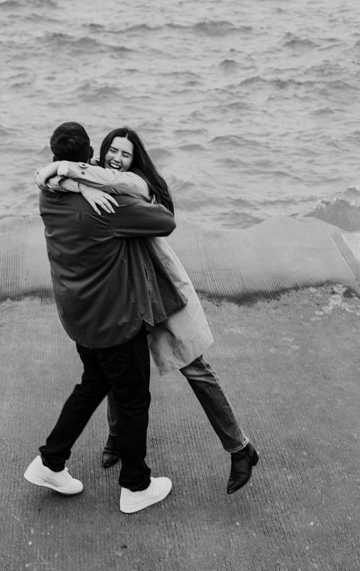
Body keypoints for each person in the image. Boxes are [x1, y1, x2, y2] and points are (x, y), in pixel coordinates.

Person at [36, 126, 259, 495]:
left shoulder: (133, 187)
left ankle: (239, 447)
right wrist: (82, 185)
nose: (116, 158)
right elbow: (52, 176)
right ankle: (116, 442)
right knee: (115, 373)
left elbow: (156, 213)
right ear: (97, 152)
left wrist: (81, 179)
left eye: (125, 154)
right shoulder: (90, 181)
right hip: (127, 294)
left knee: (193, 366)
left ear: (136, 159)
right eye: (112, 150)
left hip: (157, 287)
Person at [24, 121, 183, 514]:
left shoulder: (48, 195)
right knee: (132, 401)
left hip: (77, 316)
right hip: (115, 322)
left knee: (92, 384)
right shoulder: (112, 208)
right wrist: (99, 186)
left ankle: (50, 461)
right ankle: (135, 485)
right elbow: (165, 220)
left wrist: (79, 182)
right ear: (90, 154)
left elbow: (52, 179)